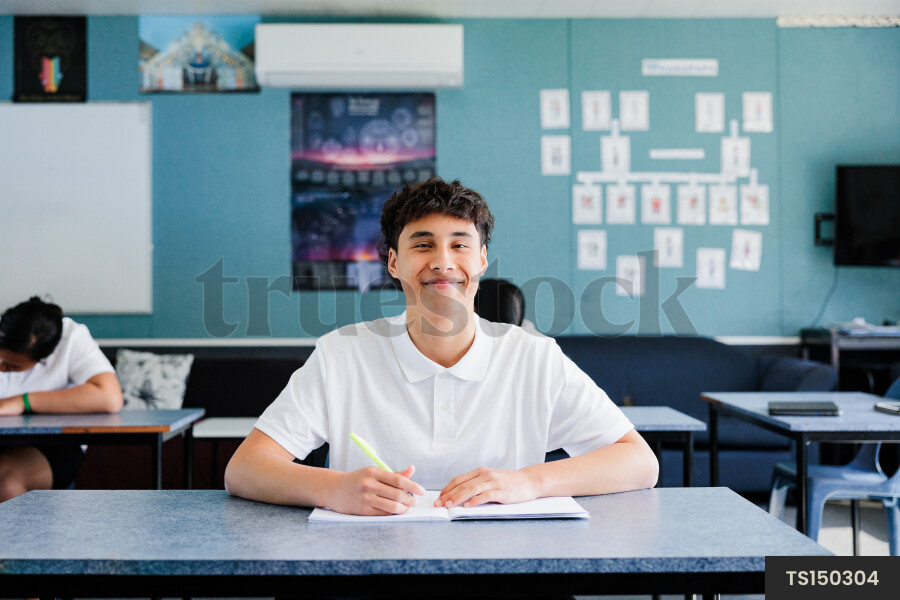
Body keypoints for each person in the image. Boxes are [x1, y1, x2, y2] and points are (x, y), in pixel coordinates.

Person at [225, 177, 658, 515]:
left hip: (506, 573)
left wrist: (529, 481)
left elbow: (639, 462)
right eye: (423, 245)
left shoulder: (533, 356)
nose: (443, 262)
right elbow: (245, 469)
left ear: (482, 260)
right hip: (367, 568)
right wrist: (332, 488)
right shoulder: (343, 354)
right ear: (394, 262)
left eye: (459, 245)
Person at [0, 297, 123, 501]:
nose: (1, 366)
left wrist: (23, 402)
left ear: (43, 358)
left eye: (12, 366)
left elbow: (109, 397)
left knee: (6, 482)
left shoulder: (71, 337)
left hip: (53, 445)